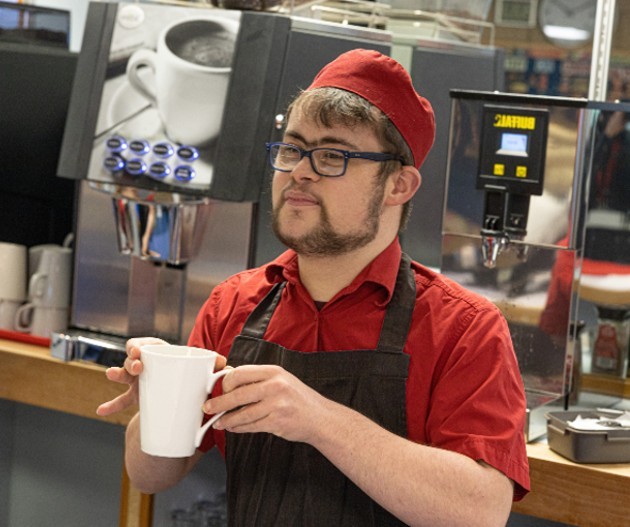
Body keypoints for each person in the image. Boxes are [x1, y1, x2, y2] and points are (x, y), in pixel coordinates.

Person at [97, 48, 530, 526]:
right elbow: (150, 475)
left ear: (398, 186)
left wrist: (319, 421)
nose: (299, 170)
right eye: (291, 149)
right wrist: (157, 399)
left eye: (332, 156)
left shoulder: (464, 328)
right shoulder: (234, 303)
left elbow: (481, 511)